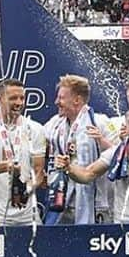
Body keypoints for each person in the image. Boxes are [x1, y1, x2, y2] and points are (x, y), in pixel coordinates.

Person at [0, 79, 47, 227]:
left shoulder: (35, 128)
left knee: (37, 248)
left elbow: (38, 171)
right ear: (0, 99)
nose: (18, 103)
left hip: (26, 211)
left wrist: (27, 189)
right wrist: (8, 165)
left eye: (22, 98)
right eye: (13, 98)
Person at [43, 75, 97, 225]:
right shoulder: (54, 124)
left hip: (90, 199)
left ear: (77, 100)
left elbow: (118, 153)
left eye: (61, 98)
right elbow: (35, 140)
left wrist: (103, 142)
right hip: (61, 197)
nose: (56, 102)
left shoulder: (99, 122)